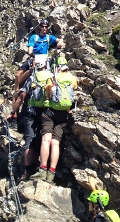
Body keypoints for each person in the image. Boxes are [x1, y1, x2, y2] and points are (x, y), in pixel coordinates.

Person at [31, 55, 78, 184]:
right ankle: (52, 172)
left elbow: (48, 92)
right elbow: (74, 88)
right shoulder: (72, 78)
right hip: (63, 114)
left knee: (46, 140)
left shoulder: (53, 78)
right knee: (55, 143)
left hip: (49, 112)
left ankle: (42, 169)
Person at [21, 54, 52, 181]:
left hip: (31, 111)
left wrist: (14, 111)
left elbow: (23, 95)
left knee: (29, 139)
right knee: (44, 139)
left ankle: (28, 170)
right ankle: (44, 167)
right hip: (46, 111)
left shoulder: (32, 77)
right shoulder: (50, 76)